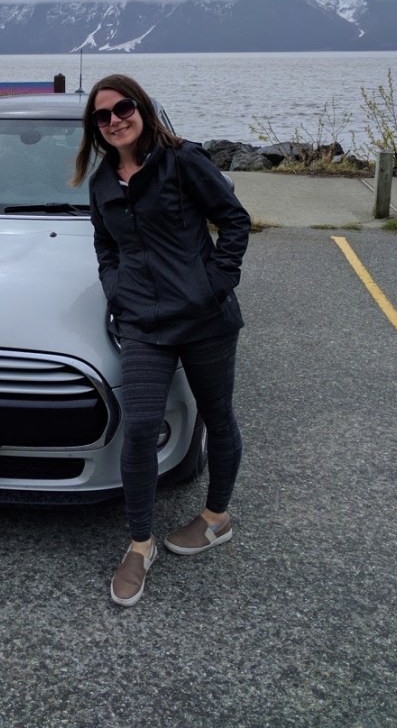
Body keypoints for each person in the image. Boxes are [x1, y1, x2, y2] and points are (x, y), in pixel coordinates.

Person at [72, 74, 251, 607]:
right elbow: (106, 248)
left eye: (122, 108)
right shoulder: (102, 182)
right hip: (144, 325)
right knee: (141, 426)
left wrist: (216, 281)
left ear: (141, 108)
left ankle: (217, 518)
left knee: (217, 417)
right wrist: (116, 290)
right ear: (96, 129)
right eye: (102, 116)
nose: (114, 121)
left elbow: (234, 220)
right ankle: (140, 543)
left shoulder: (183, 160)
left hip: (205, 319)